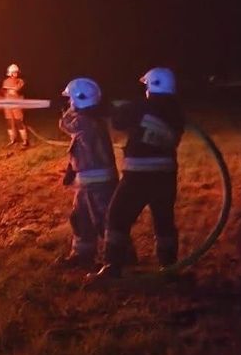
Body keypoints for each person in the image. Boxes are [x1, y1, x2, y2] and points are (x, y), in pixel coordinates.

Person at [94, 67, 184, 279]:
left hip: (138, 175)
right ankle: (169, 268)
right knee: (164, 221)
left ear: (152, 86)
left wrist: (117, 108)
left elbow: (118, 122)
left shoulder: (142, 106)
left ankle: (112, 267)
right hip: (166, 175)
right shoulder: (176, 111)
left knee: (117, 216)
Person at [57, 77, 117, 269]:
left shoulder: (84, 122)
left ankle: (118, 259)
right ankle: (82, 255)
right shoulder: (92, 120)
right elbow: (79, 149)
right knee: (81, 219)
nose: (68, 102)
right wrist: (71, 170)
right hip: (88, 182)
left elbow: (65, 124)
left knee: (105, 222)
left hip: (97, 184)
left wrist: (69, 110)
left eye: (70, 99)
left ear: (77, 100)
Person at [0, 62, 29, 148]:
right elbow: (3, 91)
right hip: (7, 106)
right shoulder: (6, 81)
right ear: (10, 73)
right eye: (14, 72)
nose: (16, 73)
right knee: (9, 123)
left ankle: (25, 141)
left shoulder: (20, 81)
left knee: (19, 123)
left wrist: (11, 90)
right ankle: (13, 140)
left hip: (17, 105)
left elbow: (18, 90)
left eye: (16, 72)